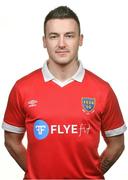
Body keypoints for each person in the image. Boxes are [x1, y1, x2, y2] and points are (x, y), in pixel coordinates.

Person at [2, 6, 127, 179]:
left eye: (69, 35)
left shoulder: (102, 90)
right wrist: (35, 171)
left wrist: (93, 172)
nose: (61, 44)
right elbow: (11, 140)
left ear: (80, 39)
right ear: (44, 41)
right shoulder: (22, 88)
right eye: (54, 36)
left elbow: (117, 144)